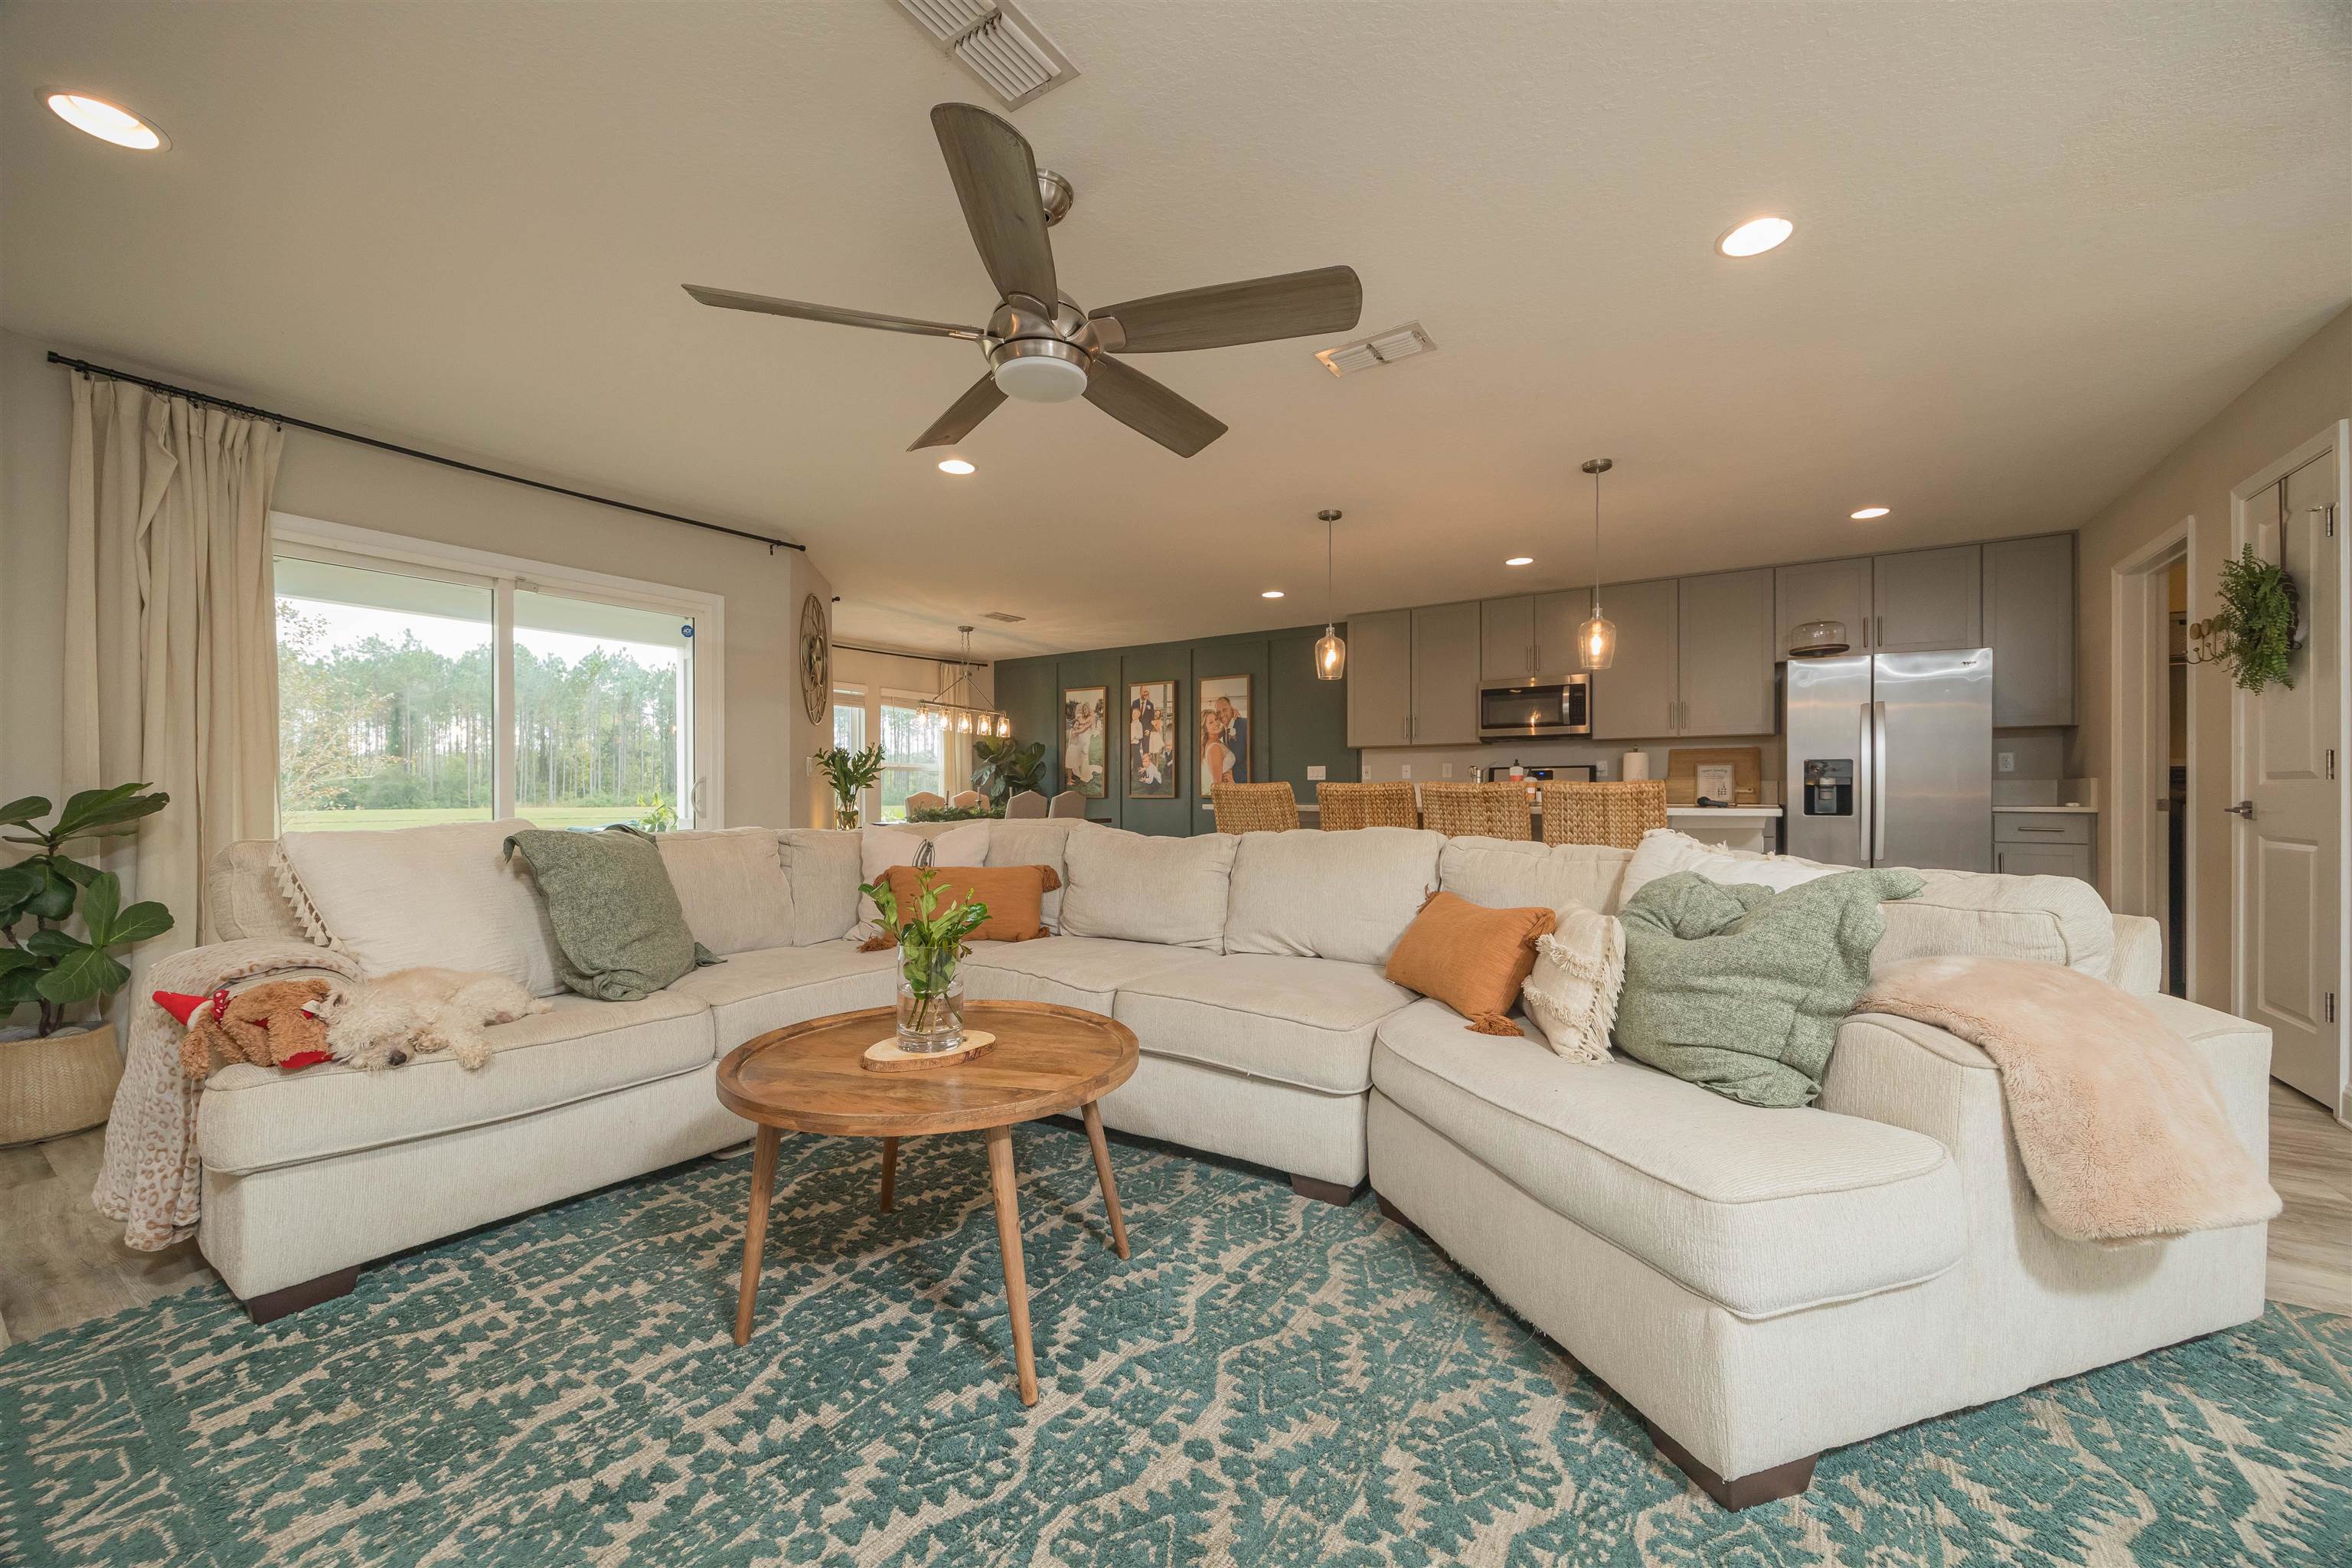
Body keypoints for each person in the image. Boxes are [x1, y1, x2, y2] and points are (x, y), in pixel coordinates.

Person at [1214, 695, 1250, 782]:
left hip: (1246, 785)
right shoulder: (1224, 732)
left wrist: (1236, 781)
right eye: (1219, 712)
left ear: (1231, 708)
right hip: (1231, 785)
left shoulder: (1246, 724)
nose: (1222, 715)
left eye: (1225, 710)